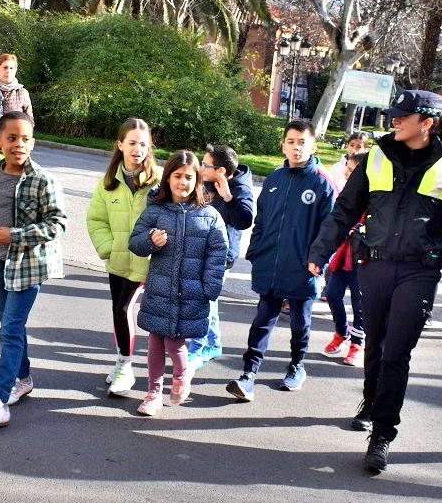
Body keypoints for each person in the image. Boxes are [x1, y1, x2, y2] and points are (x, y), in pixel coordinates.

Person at [308, 90, 442, 475]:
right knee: (376, 345)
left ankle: (382, 435)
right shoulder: (376, 157)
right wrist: (320, 253)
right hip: (376, 265)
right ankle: (370, 403)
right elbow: (345, 210)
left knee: (397, 352)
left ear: (427, 122)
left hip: (420, 271)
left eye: (403, 116)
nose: (395, 122)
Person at [226, 119, 336, 401]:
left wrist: (318, 262)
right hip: (271, 265)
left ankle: (297, 366)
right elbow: (261, 220)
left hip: (303, 268)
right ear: (283, 145)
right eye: (291, 142)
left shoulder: (322, 183)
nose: (296, 147)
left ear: (312, 145)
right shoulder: (275, 179)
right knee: (263, 319)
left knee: (300, 321)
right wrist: (255, 250)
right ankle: (248, 374)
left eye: (302, 142)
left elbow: (332, 230)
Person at [0, 112, 66, 429]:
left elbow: (57, 224)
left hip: (28, 266)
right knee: (12, 327)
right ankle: (23, 378)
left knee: (9, 330)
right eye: (11, 138)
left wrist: (16, 236)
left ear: (33, 143)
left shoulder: (43, 180)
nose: (18, 144)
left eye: (25, 139)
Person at [128, 151, 228, 416]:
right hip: (160, 291)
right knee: (154, 343)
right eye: (177, 176)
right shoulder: (156, 210)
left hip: (191, 294)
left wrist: (209, 288)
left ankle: (182, 377)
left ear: (197, 180)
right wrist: (151, 240)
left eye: (188, 177)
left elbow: (219, 254)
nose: (182, 182)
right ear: (168, 178)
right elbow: (135, 241)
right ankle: (153, 392)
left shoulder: (209, 215)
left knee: (175, 344)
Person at [86, 118, 160, 395]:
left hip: (146, 262)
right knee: (118, 312)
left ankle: (126, 368)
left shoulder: (158, 182)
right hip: (117, 260)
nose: (137, 149)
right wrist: (109, 247)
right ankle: (120, 362)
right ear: (120, 145)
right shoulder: (108, 182)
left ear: (149, 146)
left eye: (143, 143)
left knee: (124, 309)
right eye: (131, 143)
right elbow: (95, 220)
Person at [187, 144, 255, 373]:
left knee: (203, 301)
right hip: (201, 249)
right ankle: (213, 344)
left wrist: (228, 197)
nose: (201, 167)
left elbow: (245, 220)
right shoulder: (206, 180)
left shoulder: (240, 187)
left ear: (221, 172)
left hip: (221, 255)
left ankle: (198, 347)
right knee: (208, 301)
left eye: (206, 165)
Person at [321, 152, 367, 366]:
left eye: (352, 169)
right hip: (341, 254)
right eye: (347, 168)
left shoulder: (375, 195)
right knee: (332, 294)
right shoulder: (343, 190)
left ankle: (358, 343)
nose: (347, 172)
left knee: (359, 302)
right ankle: (342, 332)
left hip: (363, 257)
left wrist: (357, 229)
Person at [0, 53, 34, 121]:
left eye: (11, 68)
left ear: (15, 70)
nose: (8, 71)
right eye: (5, 67)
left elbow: (29, 121)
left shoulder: (22, 93)